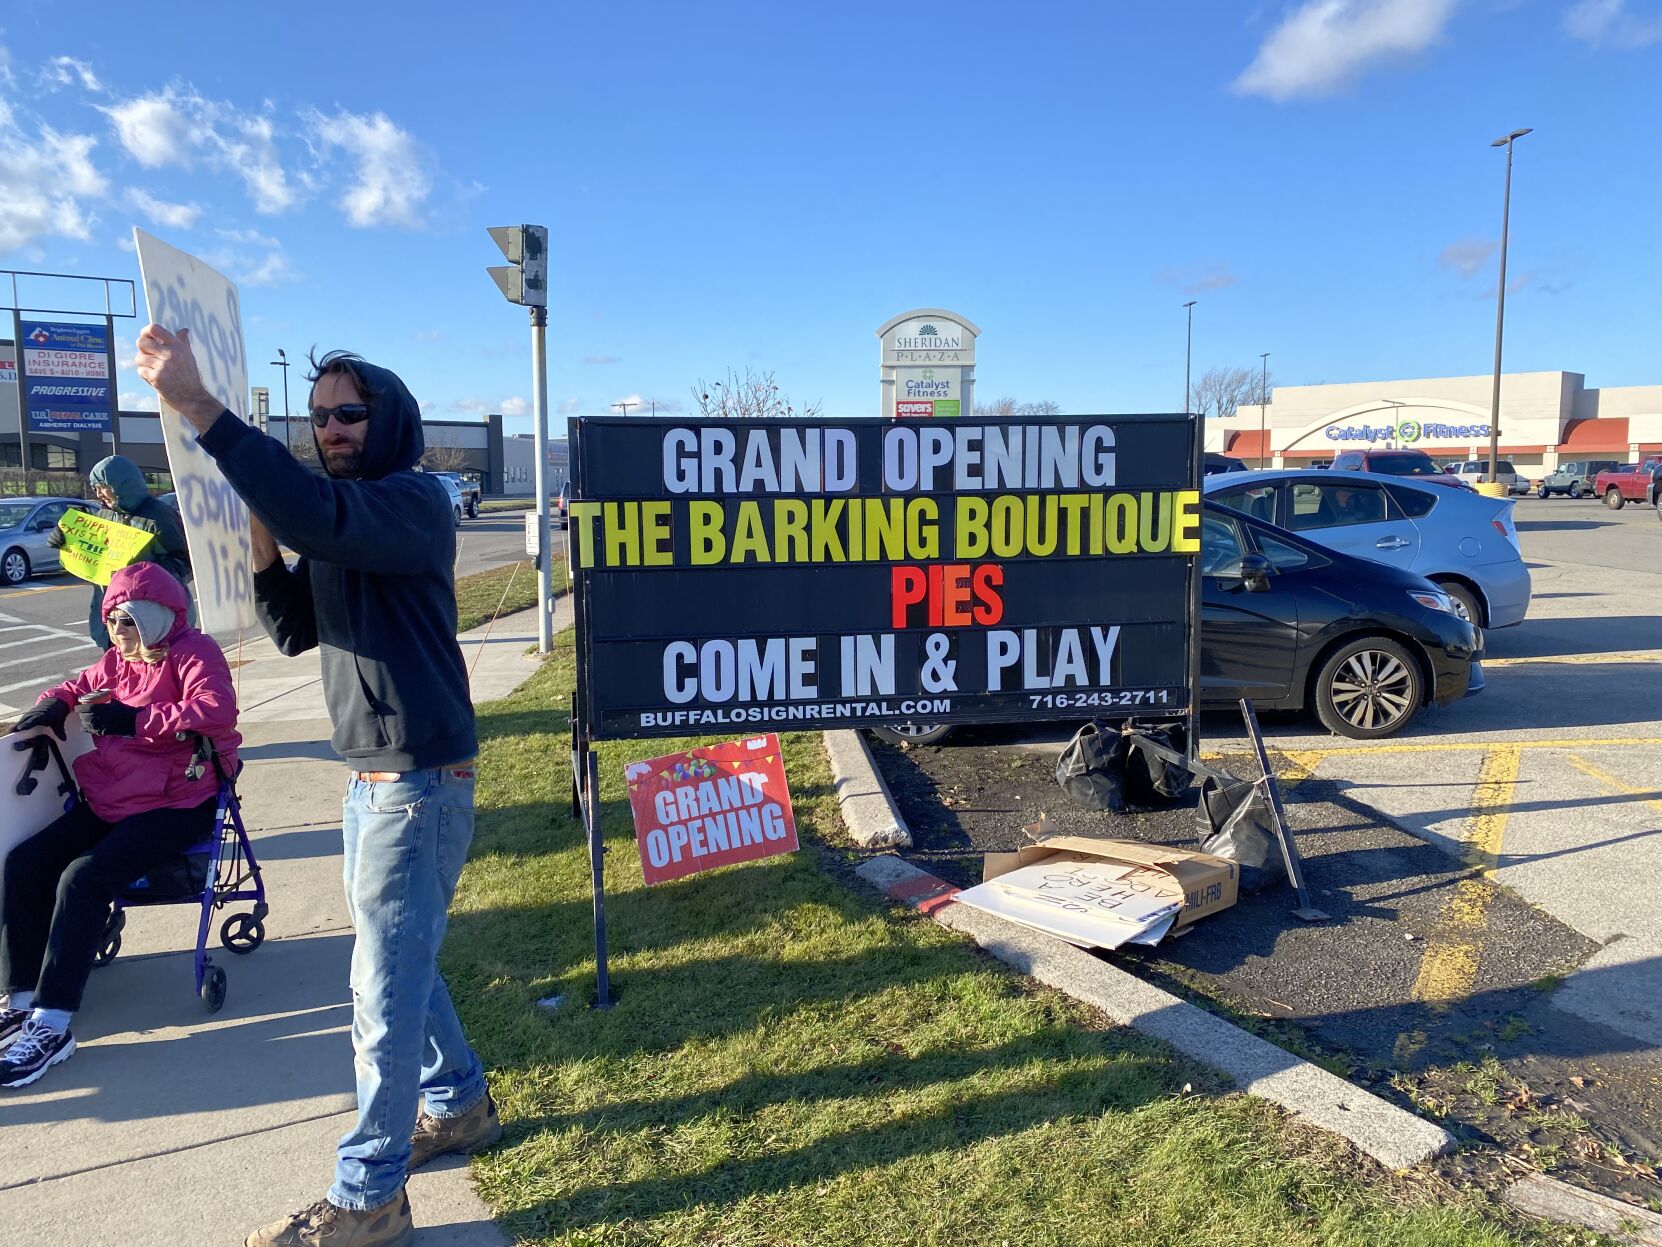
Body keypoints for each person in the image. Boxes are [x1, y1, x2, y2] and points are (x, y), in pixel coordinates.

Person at [135, 327, 496, 1247]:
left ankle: (369, 1193)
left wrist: (201, 407)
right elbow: (296, 629)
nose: (330, 428)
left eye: (349, 412)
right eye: (319, 416)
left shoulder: (409, 502)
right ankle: (459, 1106)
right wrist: (261, 538)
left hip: (415, 782)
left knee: (381, 984)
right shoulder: (341, 519)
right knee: (399, 959)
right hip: (374, 780)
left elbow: (321, 519)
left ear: (389, 420)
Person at [0, 562, 239, 1088]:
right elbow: (76, 683)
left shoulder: (194, 653)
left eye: (126, 622)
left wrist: (134, 721)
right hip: (115, 794)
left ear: (155, 618)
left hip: (179, 798)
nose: (117, 633)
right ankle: (20, 999)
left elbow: (216, 709)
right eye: (111, 621)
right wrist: (49, 706)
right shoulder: (117, 660)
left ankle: (53, 1023)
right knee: (25, 861)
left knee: (82, 878)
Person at [50, 455, 192, 650]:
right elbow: (92, 557)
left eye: (102, 486)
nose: (98, 493)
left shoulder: (159, 516)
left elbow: (184, 563)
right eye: (95, 488)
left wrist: (140, 576)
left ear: (121, 484)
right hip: (115, 617)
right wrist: (66, 540)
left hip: (155, 620)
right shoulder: (105, 515)